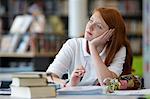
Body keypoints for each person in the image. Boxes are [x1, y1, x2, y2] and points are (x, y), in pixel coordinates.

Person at [46, 7, 132, 87]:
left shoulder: (118, 50)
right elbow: (49, 77)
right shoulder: (73, 45)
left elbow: (108, 84)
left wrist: (92, 47)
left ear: (110, 35)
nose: (90, 27)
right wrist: (68, 84)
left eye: (99, 26)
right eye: (91, 20)